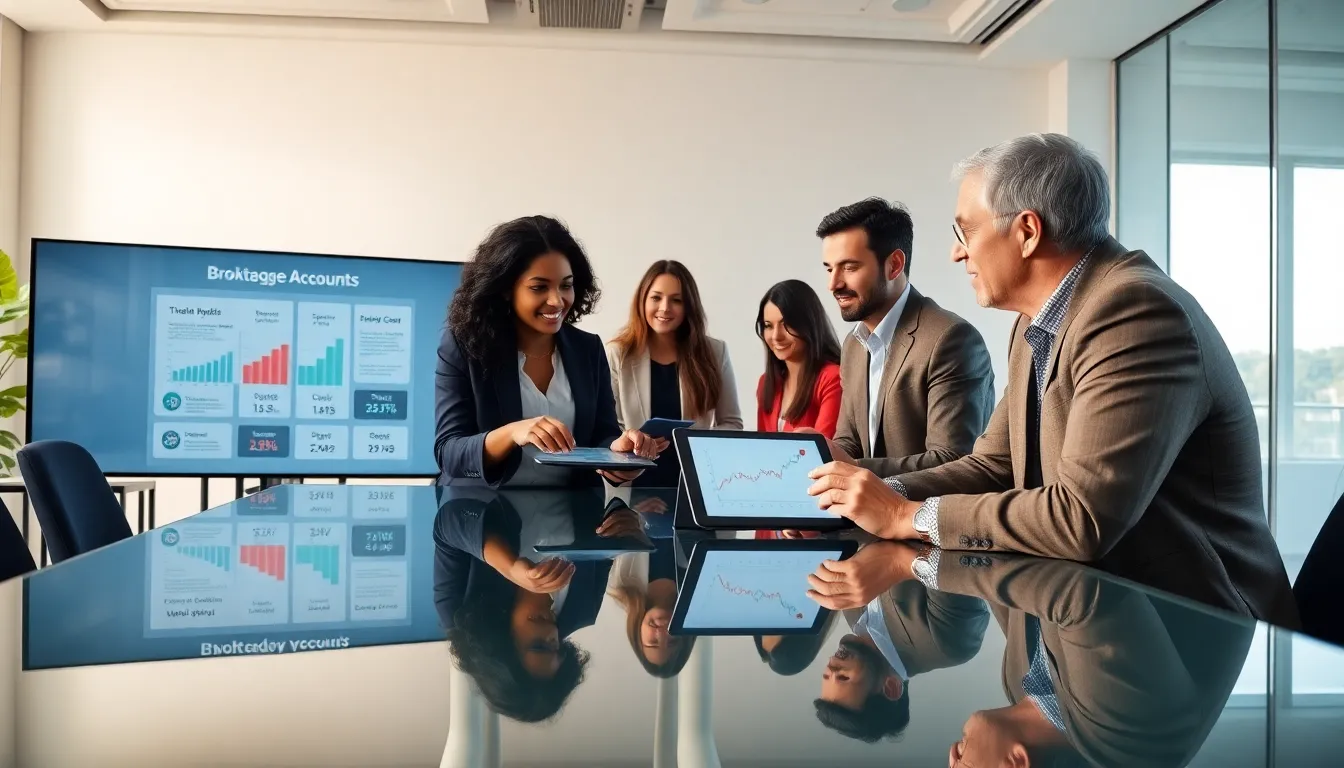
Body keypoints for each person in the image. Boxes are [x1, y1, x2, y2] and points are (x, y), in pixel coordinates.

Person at [805, 133, 1298, 627]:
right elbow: (993, 466)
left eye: (966, 232)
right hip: (1090, 619)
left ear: (1027, 232)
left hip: (1199, 632)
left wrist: (903, 515)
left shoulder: (1135, 313)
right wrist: (863, 497)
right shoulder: (1034, 321)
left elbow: (1080, 518)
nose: (958, 255)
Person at [434, 215, 658, 487]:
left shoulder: (588, 349)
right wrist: (513, 432)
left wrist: (621, 452)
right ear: (506, 289)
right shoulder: (464, 345)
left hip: (570, 516)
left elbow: (603, 436)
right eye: (539, 287)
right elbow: (449, 452)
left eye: (566, 285)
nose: (556, 300)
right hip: (483, 515)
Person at [818, 197, 995, 477]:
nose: (833, 284)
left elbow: (952, 461)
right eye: (829, 268)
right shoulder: (853, 345)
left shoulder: (951, 339)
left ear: (894, 265)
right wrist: (819, 453)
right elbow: (848, 443)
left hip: (921, 518)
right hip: (861, 519)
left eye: (849, 267)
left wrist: (851, 469)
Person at [434, 488, 645, 722]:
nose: (551, 636)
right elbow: (606, 521)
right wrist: (625, 523)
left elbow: (448, 521)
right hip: (568, 465)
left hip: (494, 468)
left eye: (538, 646)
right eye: (557, 649)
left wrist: (510, 566)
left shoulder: (460, 613)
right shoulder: (582, 607)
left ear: (502, 647)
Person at [811, 541, 989, 744]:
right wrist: (890, 557)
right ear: (891, 687)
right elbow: (958, 548)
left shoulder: (851, 615)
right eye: (843, 678)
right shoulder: (949, 645)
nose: (832, 667)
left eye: (826, 675)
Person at [606, 260, 743, 488]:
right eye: (656, 298)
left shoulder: (715, 352)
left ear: (689, 306)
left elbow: (732, 424)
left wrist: (692, 441)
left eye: (676, 300)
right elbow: (608, 429)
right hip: (634, 485)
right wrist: (634, 443)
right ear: (642, 301)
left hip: (696, 484)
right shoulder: (618, 353)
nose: (665, 308)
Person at [755, 279, 843, 436]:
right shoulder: (766, 383)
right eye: (768, 325)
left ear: (808, 324)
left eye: (786, 324)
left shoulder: (832, 378)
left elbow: (825, 450)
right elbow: (763, 448)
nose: (776, 336)